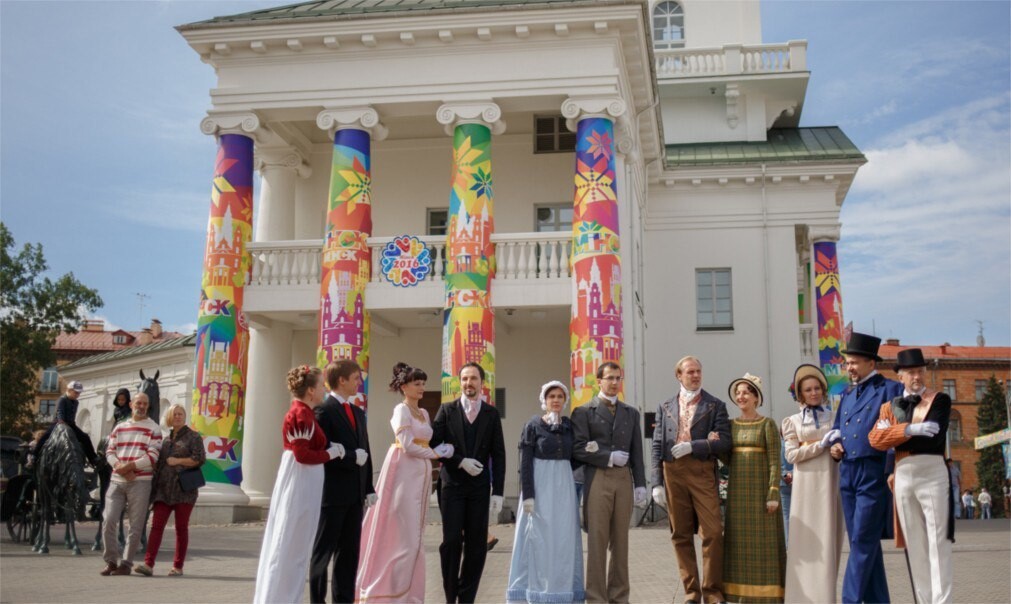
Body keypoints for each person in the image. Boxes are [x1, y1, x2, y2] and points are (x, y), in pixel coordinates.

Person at [356, 363, 453, 602]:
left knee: (415, 534)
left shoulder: (424, 412)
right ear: (404, 386)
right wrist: (437, 454)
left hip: (420, 473)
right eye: (417, 384)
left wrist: (435, 453)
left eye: (422, 383)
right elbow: (408, 445)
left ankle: (409, 592)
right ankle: (390, 590)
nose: (421, 388)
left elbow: (421, 443)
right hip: (403, 471)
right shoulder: (401, 410)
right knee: (403, 533)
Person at [253, 365, 345, 604]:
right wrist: (331, 454)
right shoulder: (300, 415)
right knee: (290, 541)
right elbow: (302, 455)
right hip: (300, 479)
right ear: (311, 390)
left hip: (306, 479)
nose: (325, 389)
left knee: (295, 543)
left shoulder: (305, 413)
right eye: (321, 385)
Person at [869, 348, 953, 604]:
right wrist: (911, 429)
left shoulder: (939, 399)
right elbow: (875, 439)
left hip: (932, 470)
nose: (916, 376)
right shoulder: (889, 405)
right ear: (901, 376)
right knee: (914, 544)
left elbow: (935, 437)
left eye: (920, 371)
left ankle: (942, 601)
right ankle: (923, 600)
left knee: (938, 542)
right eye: (911, 372)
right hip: (903, 473)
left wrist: (894, 433)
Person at [827, 333, 903, 604]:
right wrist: (835, 445)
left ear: (871, 363)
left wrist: (892, 468)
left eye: (854, 363)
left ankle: (850, 600)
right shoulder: (847, 395)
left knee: (861, 539)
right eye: (847, 363)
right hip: (847, 472)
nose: (849, 368)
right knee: (864, 542)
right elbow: (836, 428)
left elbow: (896, 430)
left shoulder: (890, 389)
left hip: (873, 470)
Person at [650, 356, 730, 604]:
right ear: (679, 375)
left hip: (702, 470)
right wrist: (656, 482)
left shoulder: (715, 405)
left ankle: (713, 592)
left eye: (698, 371)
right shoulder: (665, 406)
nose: (695, 376)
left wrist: (694, 446)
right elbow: (656, 445)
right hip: (672, 471)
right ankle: (692, 593)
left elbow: (724, 442)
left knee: (714, 532)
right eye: (690, 372)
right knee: (681, 535)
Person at [430, 362, 506, 603]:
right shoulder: (446, 410)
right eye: (464, 379)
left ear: (482, 383)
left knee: (476, 545)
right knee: (452, 542)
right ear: (459, 382)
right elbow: (434, 445)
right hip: (451, 485)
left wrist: (499, 492)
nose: (468, 383)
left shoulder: (491, 414)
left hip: (479, 488)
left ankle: (467, 597)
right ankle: (451, 595)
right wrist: (460, 461)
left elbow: (499, 453)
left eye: (473, 379)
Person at [574, 362, 647, 604]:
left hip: (623, 478)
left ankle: (619, 596)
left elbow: (637, 451)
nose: (615, 383)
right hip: (598, 477)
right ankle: (595, 598)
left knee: (621, 541)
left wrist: (640, 484)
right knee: (597, 540)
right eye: (610, 378)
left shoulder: (630, 412)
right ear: (599, 381)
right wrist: (606, 457)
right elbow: (578, 449)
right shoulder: (584, 411)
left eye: (618, 378)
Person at [506, 380, 585, 604]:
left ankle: (561, 590)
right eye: (552, 397)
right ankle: (536, 591)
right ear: (545, 400)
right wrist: (528, 494)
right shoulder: (533, 425)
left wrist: (588, 453)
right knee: (538, 538)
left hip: (564, 487)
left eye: (560, 396)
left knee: (563, 538)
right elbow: (526, 461)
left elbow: (573, 458)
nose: (556, 400)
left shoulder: (569, 426)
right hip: (540, 485)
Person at [310, 360, 376, 604]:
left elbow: (366, 451)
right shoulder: (324, 411)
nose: (359, 382)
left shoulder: (358, 412)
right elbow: (322, 450)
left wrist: (368, 487)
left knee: (349, 554)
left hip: (355, 495)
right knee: (323, 553)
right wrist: (349, 457)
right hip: (332, 494)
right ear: (342, 380)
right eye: (356, 378)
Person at [781, 364, 844, 604]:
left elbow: (838, 448)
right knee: (804, 544)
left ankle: (825, 597)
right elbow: (792, 456)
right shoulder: (792, 421)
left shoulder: (835, 417)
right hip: (805, 488)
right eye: (808, 389)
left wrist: (836, 449)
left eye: (817, 388)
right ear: (801, 393)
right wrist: (822, 444)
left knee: (829, 541)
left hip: (829, 482)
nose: (814, 392)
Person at [722, 373, 786, 603]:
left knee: (764, 545)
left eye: (746, 392)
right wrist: (714, 442)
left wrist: (773, 492)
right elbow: (728, 459)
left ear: (756, 398)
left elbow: (774, 461)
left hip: (761, 494)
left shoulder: (767, 424)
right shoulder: (730, 425)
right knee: (738, 545)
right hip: (738, 494)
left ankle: (766, 595)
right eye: (738, 393)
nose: (741, 396)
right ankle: (737, 593)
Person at [134, 403, 205, 577]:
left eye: (181, 413)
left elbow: (199, 459)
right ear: (170, 418)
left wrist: (178, 461)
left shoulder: (194, 437)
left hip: (184, 490)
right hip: (163, 490)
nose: (178, 416)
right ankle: (148, 564)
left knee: (181, 528)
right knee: (156, 526)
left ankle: (178, 566)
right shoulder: (165, 440)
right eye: (175, 414)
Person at [99, 393, 163, 576]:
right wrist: (119, 467)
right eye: (138, 403)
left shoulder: (154, 428)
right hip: (117, 481)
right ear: (131, 404)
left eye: (145, 403)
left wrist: (131, 466)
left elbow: (153, 456)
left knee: (135, 525)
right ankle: (111, 560)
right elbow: (110, 451)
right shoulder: (120, 427)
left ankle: (126, 563)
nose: (141, 406)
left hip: (140, 482)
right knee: (109, 520)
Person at [33, 381, 100, 467]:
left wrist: (72, 425)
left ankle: (93, 458)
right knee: (44, 437)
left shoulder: (76, 402)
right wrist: (61, 421)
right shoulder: (62, 399)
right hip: (58, 423)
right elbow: (60, 411)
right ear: (69, 390)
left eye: (79, 393)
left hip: (71, 424)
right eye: (76, 392)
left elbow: (73, 415)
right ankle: (34, 456)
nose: (77, 395)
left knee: (85, 437)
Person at [780, 447, 793, 545]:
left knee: (786, 516)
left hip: (783, 482)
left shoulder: (780, 443)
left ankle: (788, 545)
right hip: (800, 480)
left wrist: (785, 474)